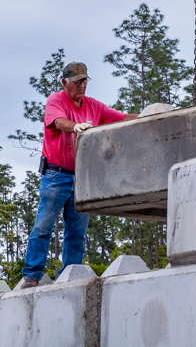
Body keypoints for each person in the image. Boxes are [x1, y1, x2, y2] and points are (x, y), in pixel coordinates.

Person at [21, 62, 138, 288]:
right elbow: (58, 122)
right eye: (77, 82)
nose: (82, 86)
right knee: (44, 225)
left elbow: (121, 118)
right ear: (65, 82)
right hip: (56, 175)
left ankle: (70, 274)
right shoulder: (56, 101)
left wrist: (148, 115)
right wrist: (75, 127)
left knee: (77, 231)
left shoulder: (93, 106)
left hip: (81, 178)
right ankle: (32, 275)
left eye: (84, 81)